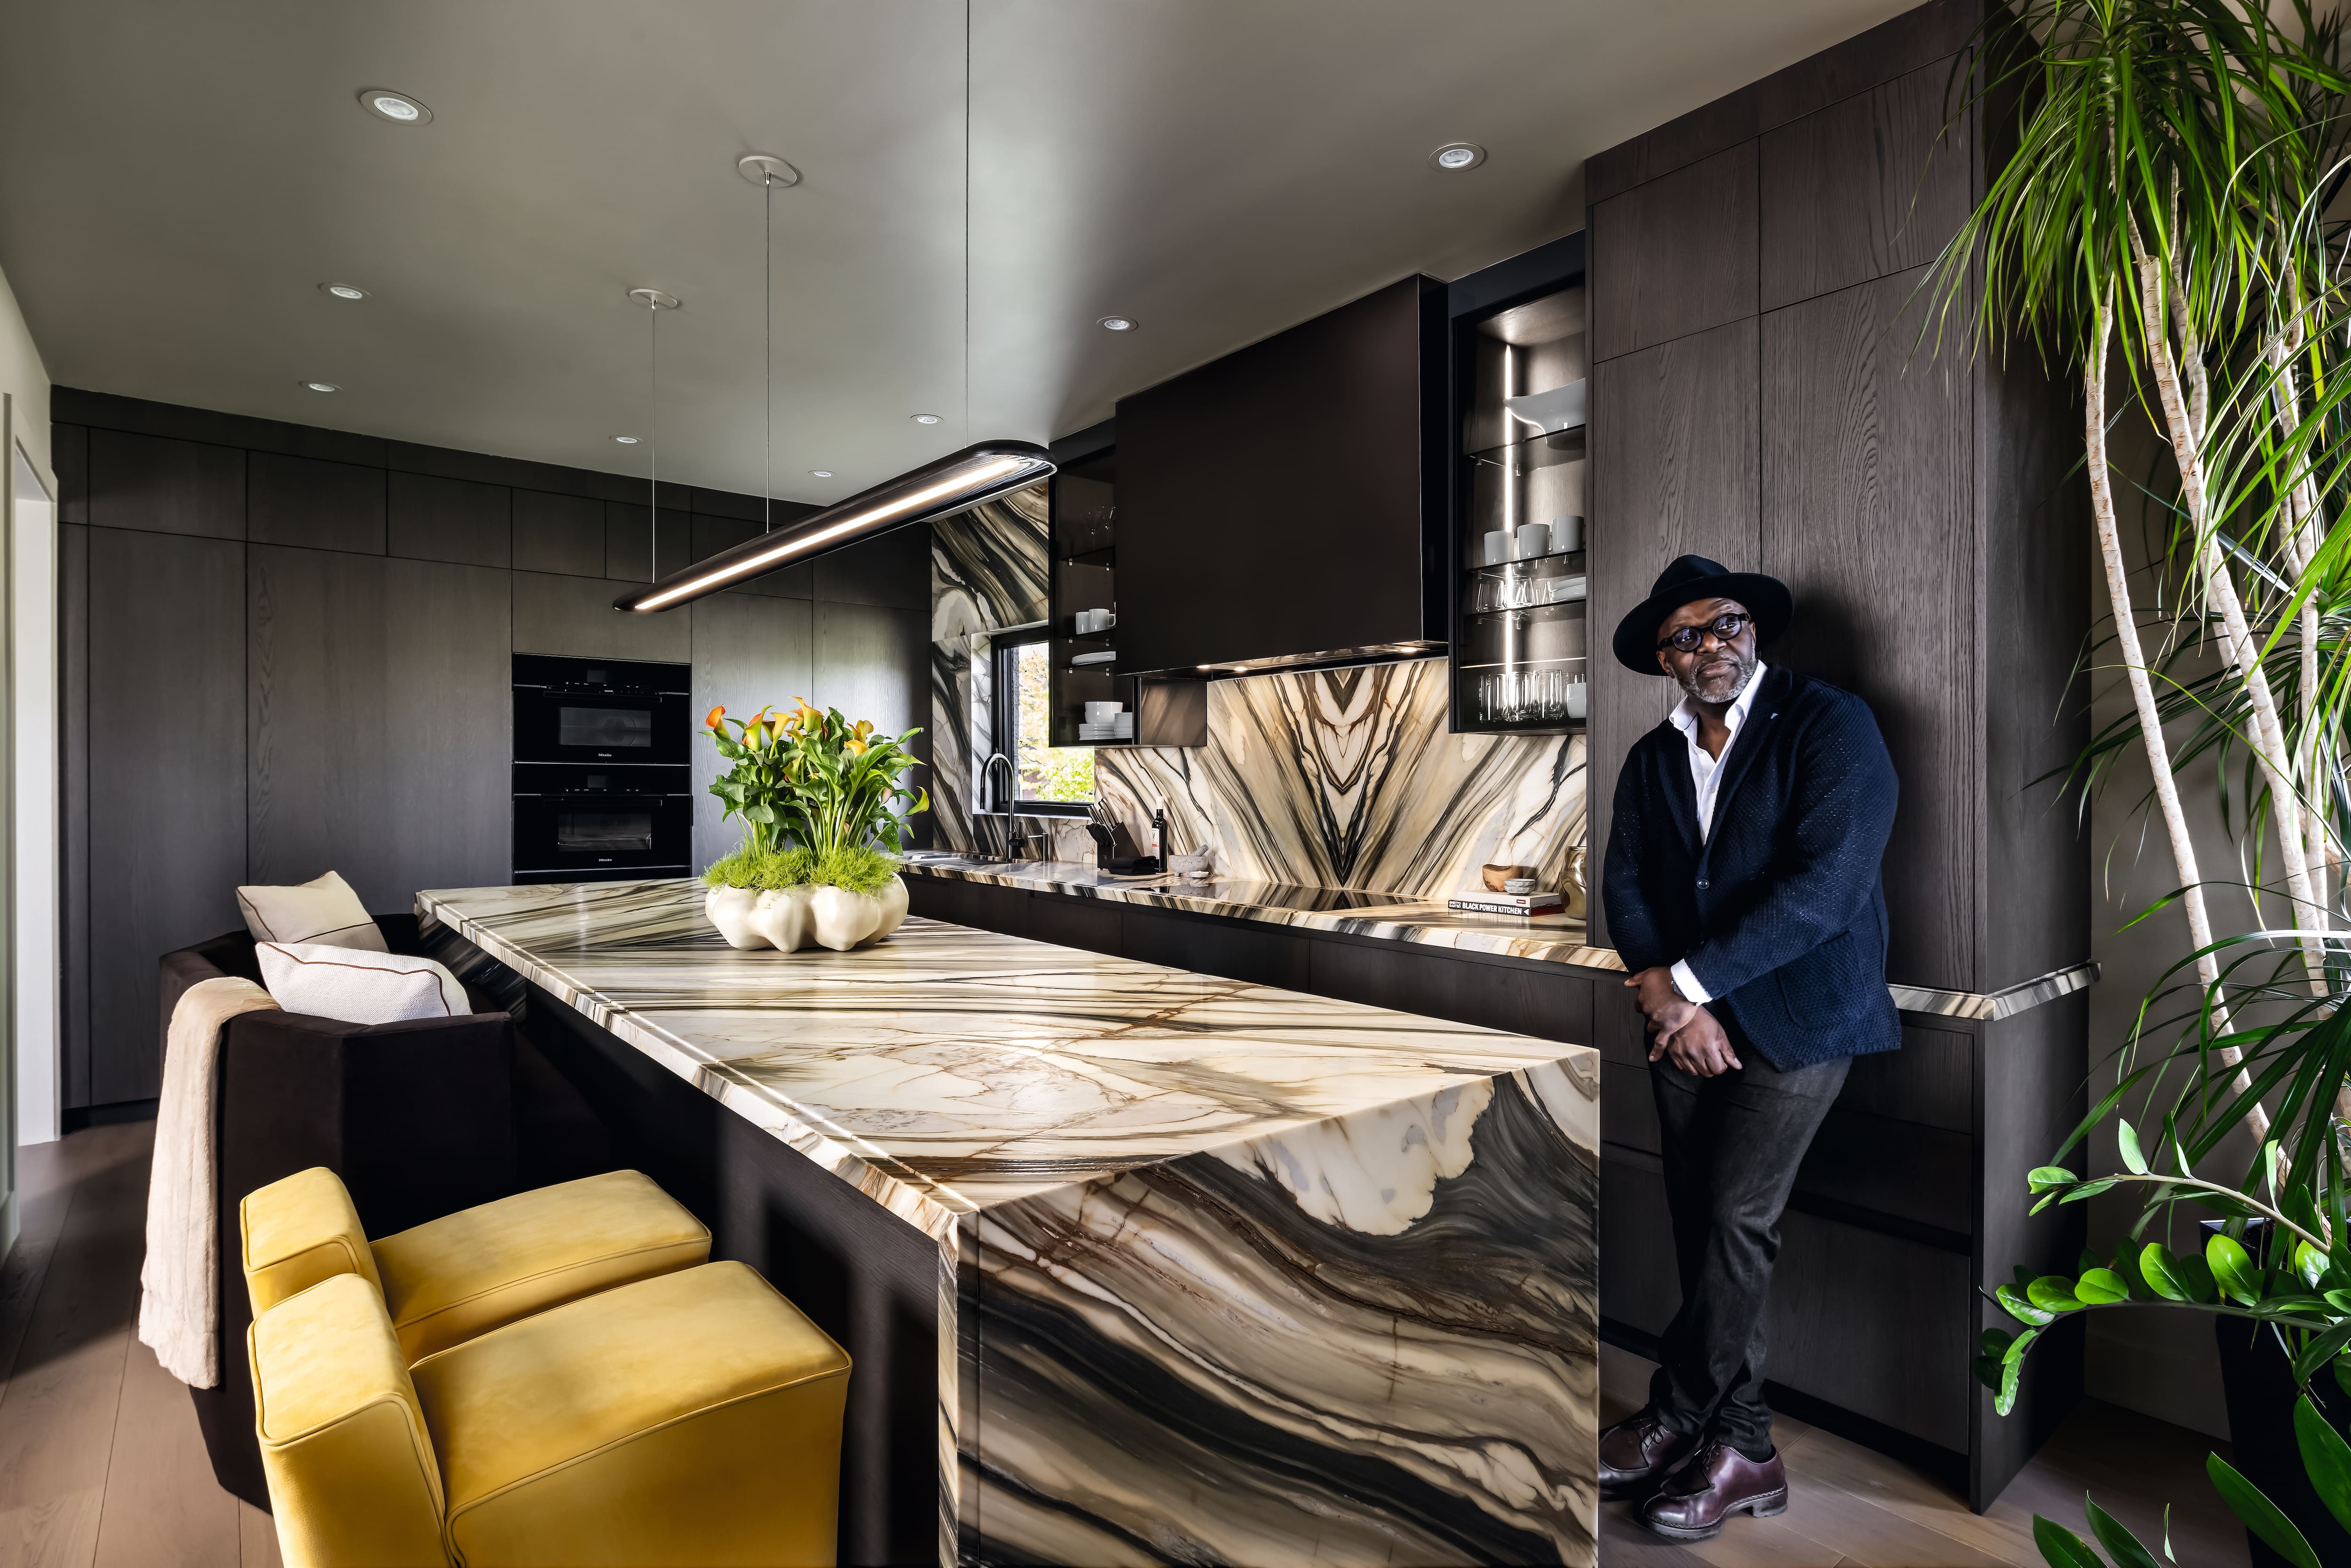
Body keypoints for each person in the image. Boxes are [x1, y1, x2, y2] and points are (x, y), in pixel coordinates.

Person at [1596, 554, 1900, 1543]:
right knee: (1703, 1225)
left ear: (1753, 631)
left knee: (1734, 1219)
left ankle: (1680, 1413)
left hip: (1804, 1016)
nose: (1708, 646)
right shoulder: (1651, 760)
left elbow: (1828, 888)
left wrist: (1682, 989)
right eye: (1684, 635)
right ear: (1662, 657)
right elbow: (1629, 886)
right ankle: (1747, 1447)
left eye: (1723, 624)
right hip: (1689, 1026)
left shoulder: (1829, 724)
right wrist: (1668, 998)